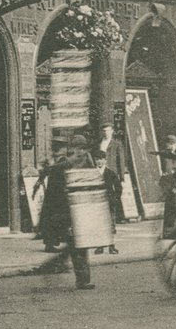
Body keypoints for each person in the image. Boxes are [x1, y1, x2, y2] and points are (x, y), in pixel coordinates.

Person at [37, 134, 97, 290]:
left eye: (84, 149)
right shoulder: (64, 165)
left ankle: (62, 268)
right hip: (67, 211)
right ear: (73, 149)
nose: (81, 152)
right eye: (79, 149)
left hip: (80, 210)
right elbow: (55, 193)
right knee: (77, 245)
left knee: (78, 245)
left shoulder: (85, 164)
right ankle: (81, 279)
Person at [96, 122, 127, 222]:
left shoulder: (117, 144)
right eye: (104, 131)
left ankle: (118, 217)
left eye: (108, 131)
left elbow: (121, 160)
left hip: (112, 171)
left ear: (112, 131)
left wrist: (122, 176)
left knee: (114, 194)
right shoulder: (99, 143)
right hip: (100, 170)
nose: (106, 133)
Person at [93, 152, 120, 255]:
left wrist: (116, 198)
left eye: (101, 159)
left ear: (105, 160)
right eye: (97, 159)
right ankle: (100, 246)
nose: (99, 161)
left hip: (109, 202)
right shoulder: (92, 173)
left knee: (110, 224)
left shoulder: (110, 173)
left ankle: (111, 246)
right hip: (96, 202)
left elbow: (118, 187)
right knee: (99, 224)